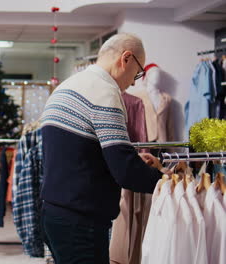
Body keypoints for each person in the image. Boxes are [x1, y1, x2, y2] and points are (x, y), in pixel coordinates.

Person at [39, 33, 172, 264]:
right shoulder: (104, 92)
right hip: (81, 222)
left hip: (54, 213)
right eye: (138, 73)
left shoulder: (66, 86)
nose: (133, 82)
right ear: (126, 59)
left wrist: (133, 159)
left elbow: (80, 154)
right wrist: (168, 182)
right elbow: (126, 173)